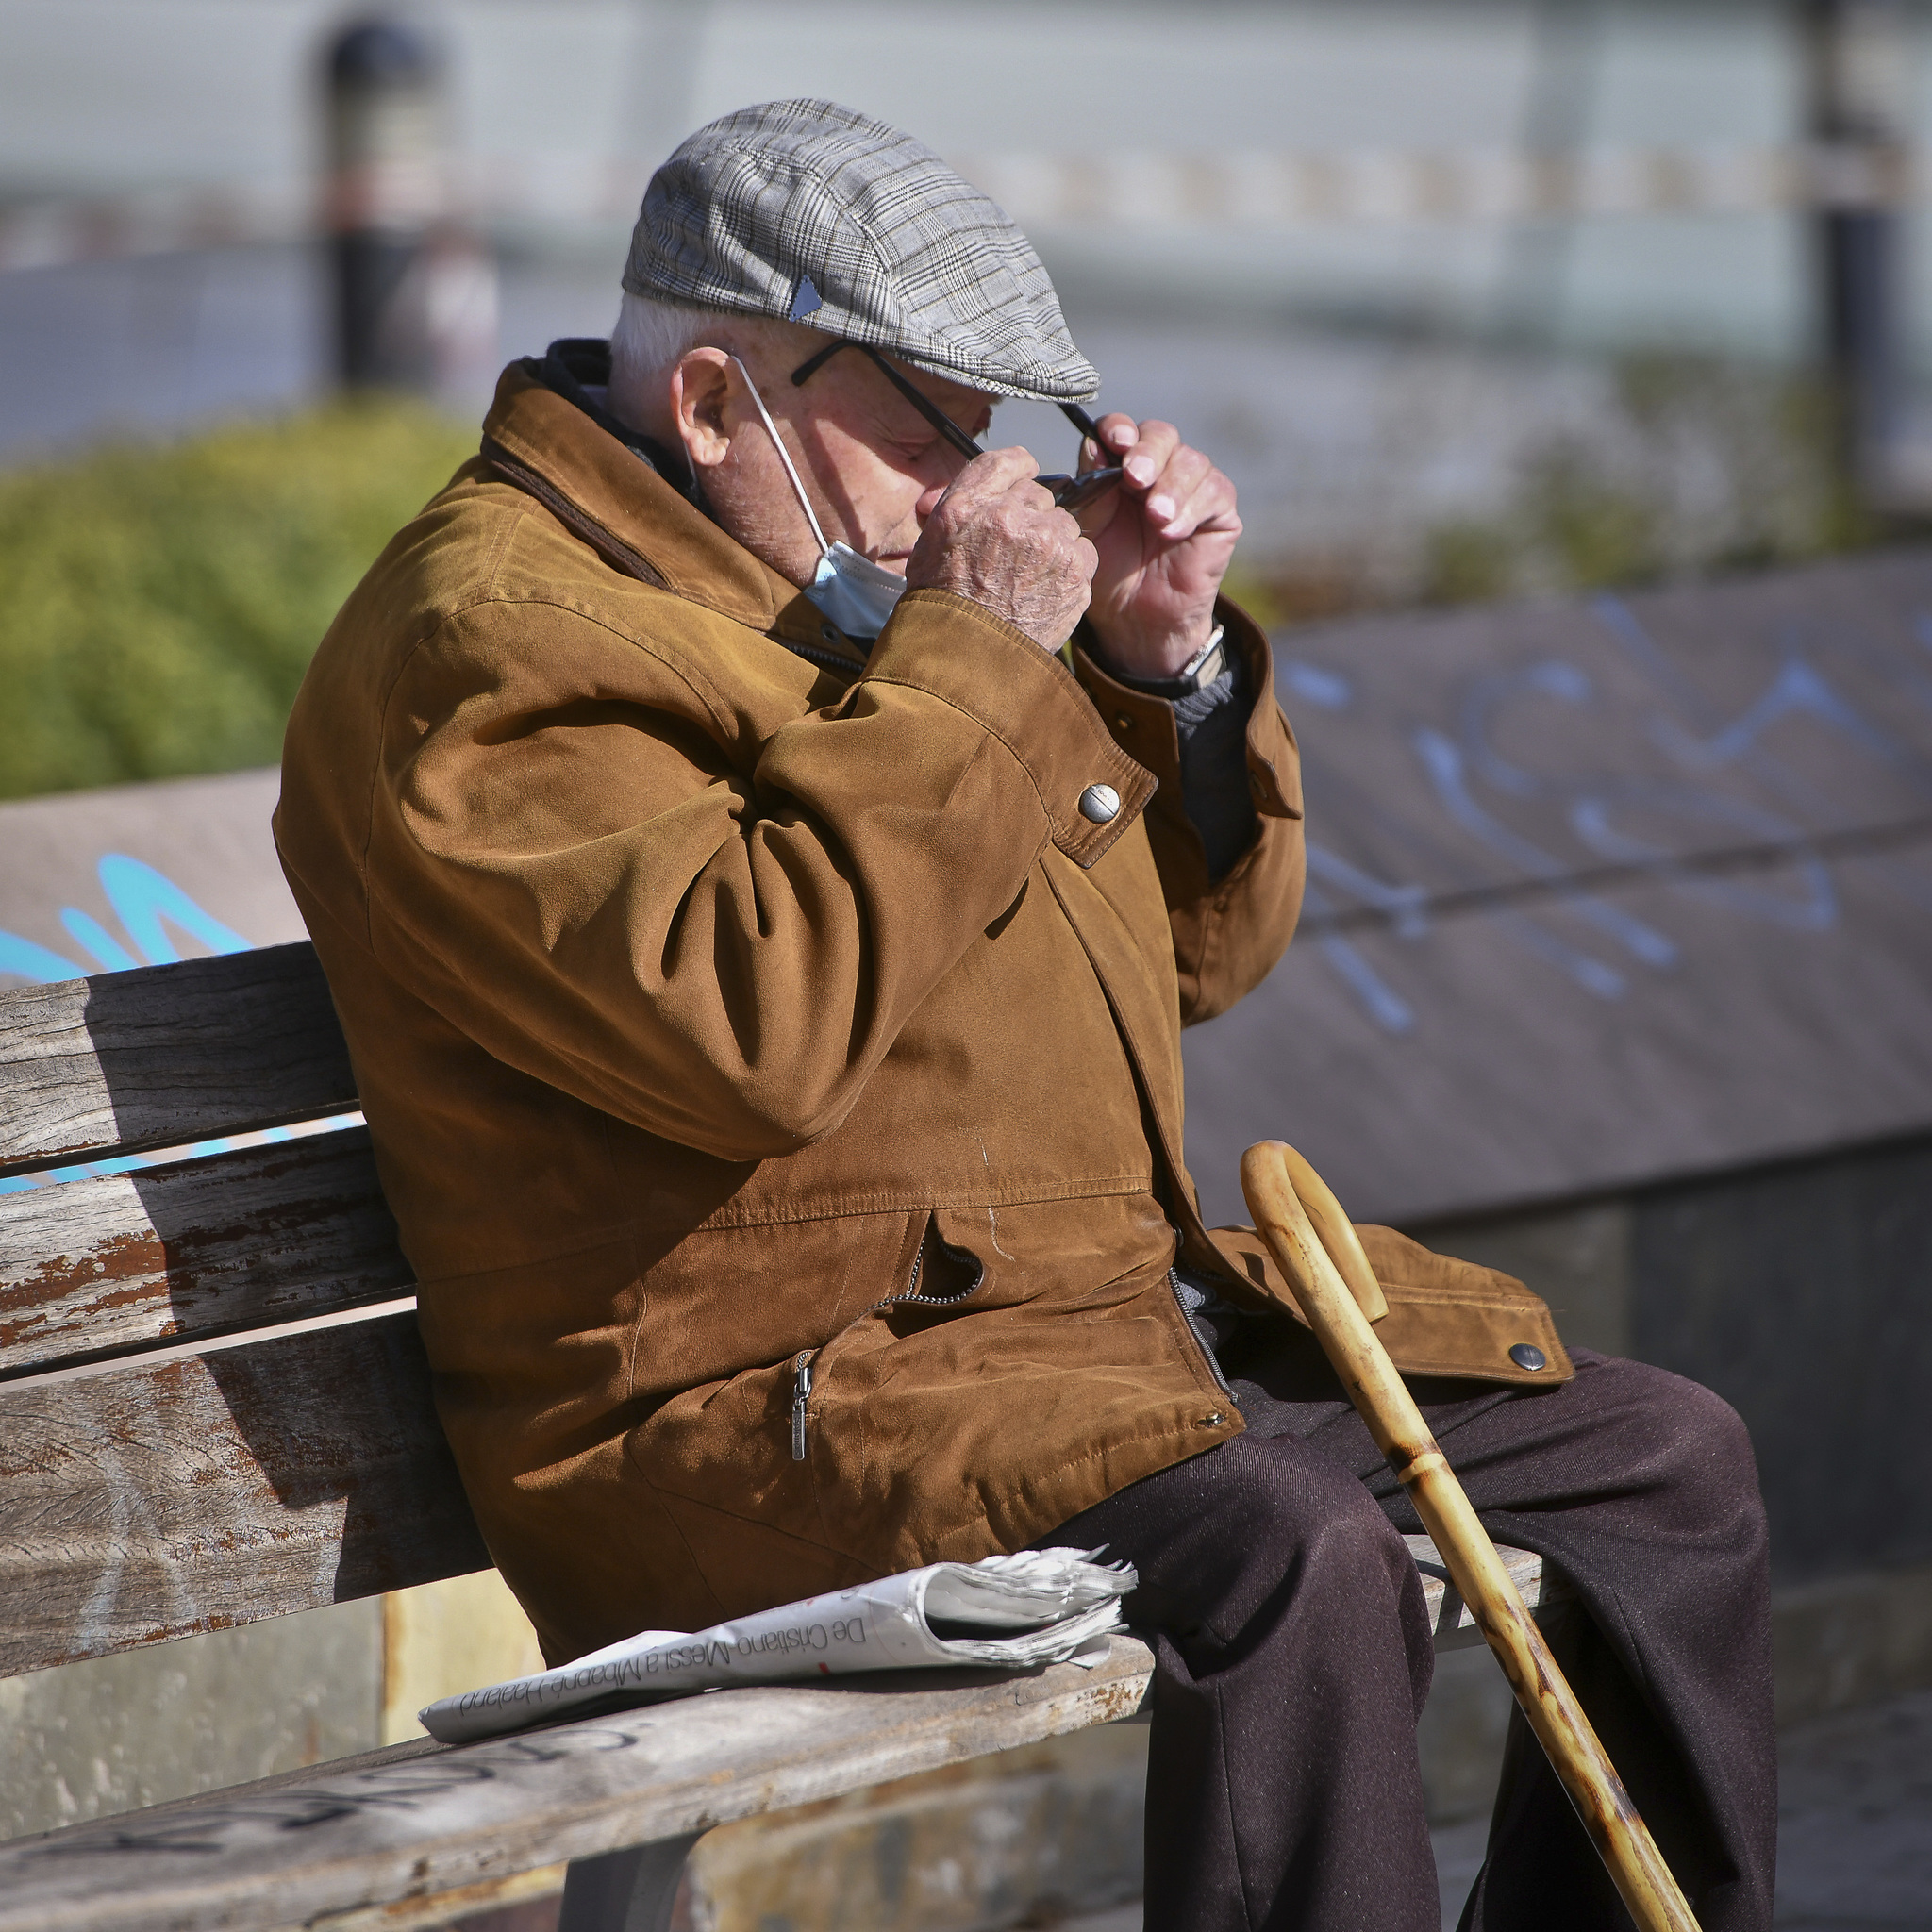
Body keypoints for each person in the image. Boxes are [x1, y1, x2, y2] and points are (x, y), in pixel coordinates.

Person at [276, 98, 1774, 1932]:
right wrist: (977, 652)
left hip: (1063, 1351)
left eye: (984, 435)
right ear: (715, 404)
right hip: (755, 1416)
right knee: (1293, 1559)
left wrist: (1162, 666)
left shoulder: (842, 590)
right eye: (924, 433)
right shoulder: (488, 644)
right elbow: (754, 1026)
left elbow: (1195, 962)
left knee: (1665, 1466)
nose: (966, 491)